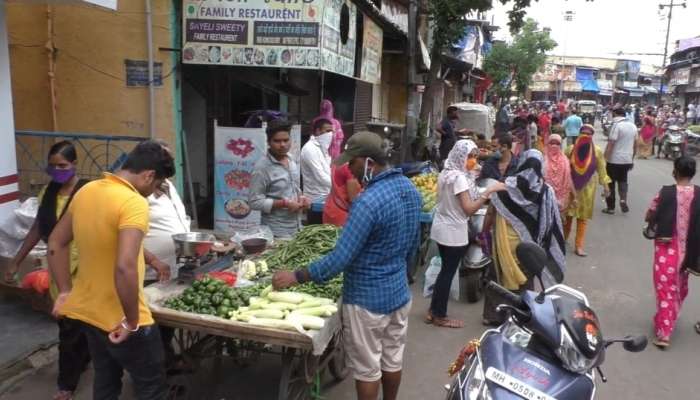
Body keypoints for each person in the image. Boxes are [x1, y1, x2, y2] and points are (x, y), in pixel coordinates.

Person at [271, 131, 421, 400]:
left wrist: (297, 276)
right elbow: (413, 245)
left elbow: (340, 259)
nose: (349, 170)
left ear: (368, 163)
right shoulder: (409, 189)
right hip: (399, 294)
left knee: (366, 370)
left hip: (367, 301)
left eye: (352, 163)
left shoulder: (368, 201)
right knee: (392, 359)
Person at [48, 140, 175, 400]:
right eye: (155, 185)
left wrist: (64, 291)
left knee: (106, 383)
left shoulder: (88, 190)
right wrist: (131, 320)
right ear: (149, 175)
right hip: (121, 317)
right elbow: (125, 267)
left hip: (90, 314)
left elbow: (55, 243)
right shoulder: (133, 202)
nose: (152, 193)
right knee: (152, 388)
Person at [4, 141, 89, 400]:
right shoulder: (49, 193)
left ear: (75, 164)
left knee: (77, 327)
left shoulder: (88, 192)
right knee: (68, 326)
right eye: (52, 166)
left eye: (62, 165)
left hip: (86, 270)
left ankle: (66, 385)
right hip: (59, 270)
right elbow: (38, 229)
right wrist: (17, 259)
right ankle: (74, 372)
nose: (57, 170)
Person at [482, 149, 566, 325]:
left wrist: (483, 232)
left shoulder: (505, 185)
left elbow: (491, 212)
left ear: (521, 163)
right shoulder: (545, 191)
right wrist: (543, 240)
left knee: (497, 276)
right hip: (527, 245)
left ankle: (493, 316)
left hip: (503, 242)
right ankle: (521, 317)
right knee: (525, 279)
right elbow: (550, 219)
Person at [426, 140, 505, 328]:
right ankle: (439, 315)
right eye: (470, 156)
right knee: (447, 273)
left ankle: (433, 310)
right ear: (460, 156)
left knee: (445, 271)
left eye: (475, 156)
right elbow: (469, 209)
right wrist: (490, 191)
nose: (473, 160)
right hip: (453, 232)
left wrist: (475, 179)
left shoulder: (447, 173)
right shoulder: (459, 178)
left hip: (441, 227)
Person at [645, 157, 700, 349]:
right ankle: (664, 318)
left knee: (665, 290)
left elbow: (650, 214)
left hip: (666, 251)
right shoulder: (699, 194)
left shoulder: (666, 192)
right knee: (679, 288)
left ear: (675, 171)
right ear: (692, 173)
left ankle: (664, 332)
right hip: (689, 253)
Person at [249, 121, 308, 238]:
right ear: (269, 142)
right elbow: (254, 202)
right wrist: (284, 203)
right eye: (277, 141)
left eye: (286, 140)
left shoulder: (291, 159)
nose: (282, 145)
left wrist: (302, 199)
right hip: (275, 231)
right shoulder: (262, 167)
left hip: (296, 226)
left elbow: (293, 187)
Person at [565, 125, 611, 257]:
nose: (585, 136)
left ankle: (578, 246)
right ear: (578, 134)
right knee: (567, 216)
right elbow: (563, 167)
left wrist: (606, 187)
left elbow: (602, 170)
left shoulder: (597, 151)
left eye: (589, 134)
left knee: (582, 218)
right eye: (583, 133)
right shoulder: (570, 149)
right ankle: (563, 240)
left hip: (588, 188)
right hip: (570, 187)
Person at [603, 108, 638, 214]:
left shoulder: (616, 125)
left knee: (610, 183)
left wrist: (604, 158)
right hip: (627, 159)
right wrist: (632, 159)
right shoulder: (633, 126)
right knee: (623, 180)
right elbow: (635, 144)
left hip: (614, 159)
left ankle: (611, 208)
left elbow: (611, 144)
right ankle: (623, 199)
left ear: (616, 114)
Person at [301, 118, 334, 224]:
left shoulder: (323, 148)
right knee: (316, 232)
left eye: (331, 131)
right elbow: (320, 176)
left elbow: (328, 171)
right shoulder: (310, 149)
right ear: (318, 131)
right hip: (315, 200)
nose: (330, 134)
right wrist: (337, 187)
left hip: (326, 197)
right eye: (327, 131)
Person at [322, 161, 362, 227]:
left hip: (331, 208)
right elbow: (354, 199)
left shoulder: (339, 161)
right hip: (342, 215)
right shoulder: (351, 168)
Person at [544, 134, 574, 213]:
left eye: (557, 144)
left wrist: (574, 195)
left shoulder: (565, 161)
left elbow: (568, 179)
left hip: (561, 198)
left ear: (560, 145)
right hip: (545, 196)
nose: (554, 146)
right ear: (547, 144)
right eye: (552, 143)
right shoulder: (542, 159)